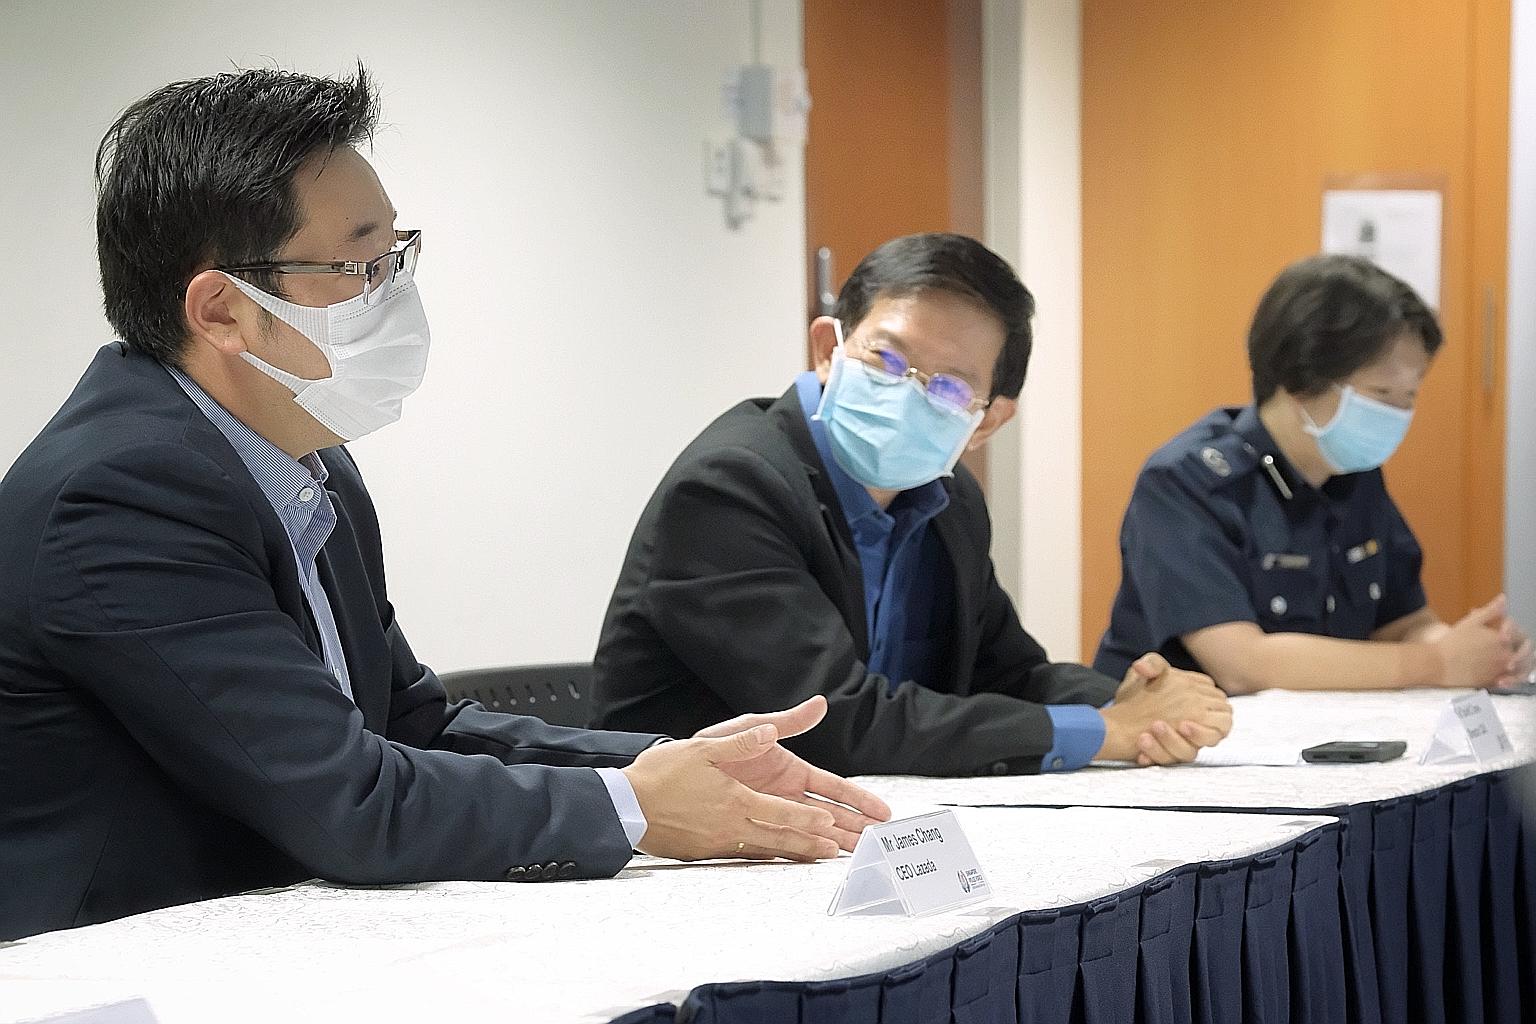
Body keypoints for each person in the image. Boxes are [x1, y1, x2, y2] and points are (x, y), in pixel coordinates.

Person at [0, 66, 888, 942]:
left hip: (263, 935)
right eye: (359, 264)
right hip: (111, 966)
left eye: (399, 254)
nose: (394, 293)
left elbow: (416, 724)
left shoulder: (304, 457)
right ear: (223, 310)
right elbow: (347, 798)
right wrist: (636, 809)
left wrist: (669, 767)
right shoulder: (119, 498)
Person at [590, 233, 1232, 777]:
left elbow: (1006, 673)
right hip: (683, 852)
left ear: (988, 421)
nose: (906, 392)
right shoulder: (731, 488)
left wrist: (1135, 698)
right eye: (886, 358)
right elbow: (832, 723)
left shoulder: (949, 503)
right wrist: (1105, 731)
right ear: (826, 349)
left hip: (858, 829)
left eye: (950, 387)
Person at [1094, 254, 1534, 694]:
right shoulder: (1185, 483)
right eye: (1381, 393)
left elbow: (1404, 622)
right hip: (1187, 748)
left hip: (1322, 741)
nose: (1397, 415)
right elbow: (1243, 665)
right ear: (1300, 374)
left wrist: (1476, 651)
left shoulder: (1354, 476)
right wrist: (1434, 663)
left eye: (1409, 396)